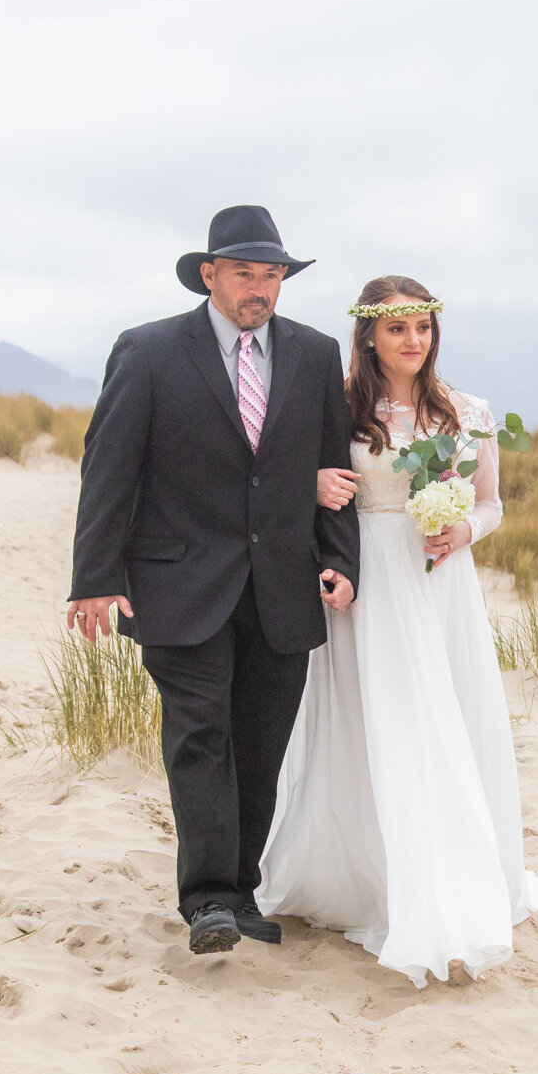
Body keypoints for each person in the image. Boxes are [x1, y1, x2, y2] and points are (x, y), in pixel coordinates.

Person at [66, 205, 360, 955]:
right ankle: (206, 900)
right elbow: (109, 468)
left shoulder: (314, 354)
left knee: (261, 742)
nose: (260, 288)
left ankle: (241, 889)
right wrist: (93, 577)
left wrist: (340, 561)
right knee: (201, 736)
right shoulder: (150, 350)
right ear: (210, 275)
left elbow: (333, 469)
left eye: (272, 275)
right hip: (178, 584)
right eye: (244, 273)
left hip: (283, 587)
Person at [256, 275, 538, 986]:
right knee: (373, 726)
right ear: (370, 337)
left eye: (421, 327)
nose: (412, 341)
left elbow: (493, 504)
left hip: (437, 585)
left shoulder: (466, 410)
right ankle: (372, 880)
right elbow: (304, 482)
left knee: (438, 726)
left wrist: (463, 528)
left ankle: (448, 884)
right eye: (397, 329)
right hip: (366, 583)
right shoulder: (342, 410)